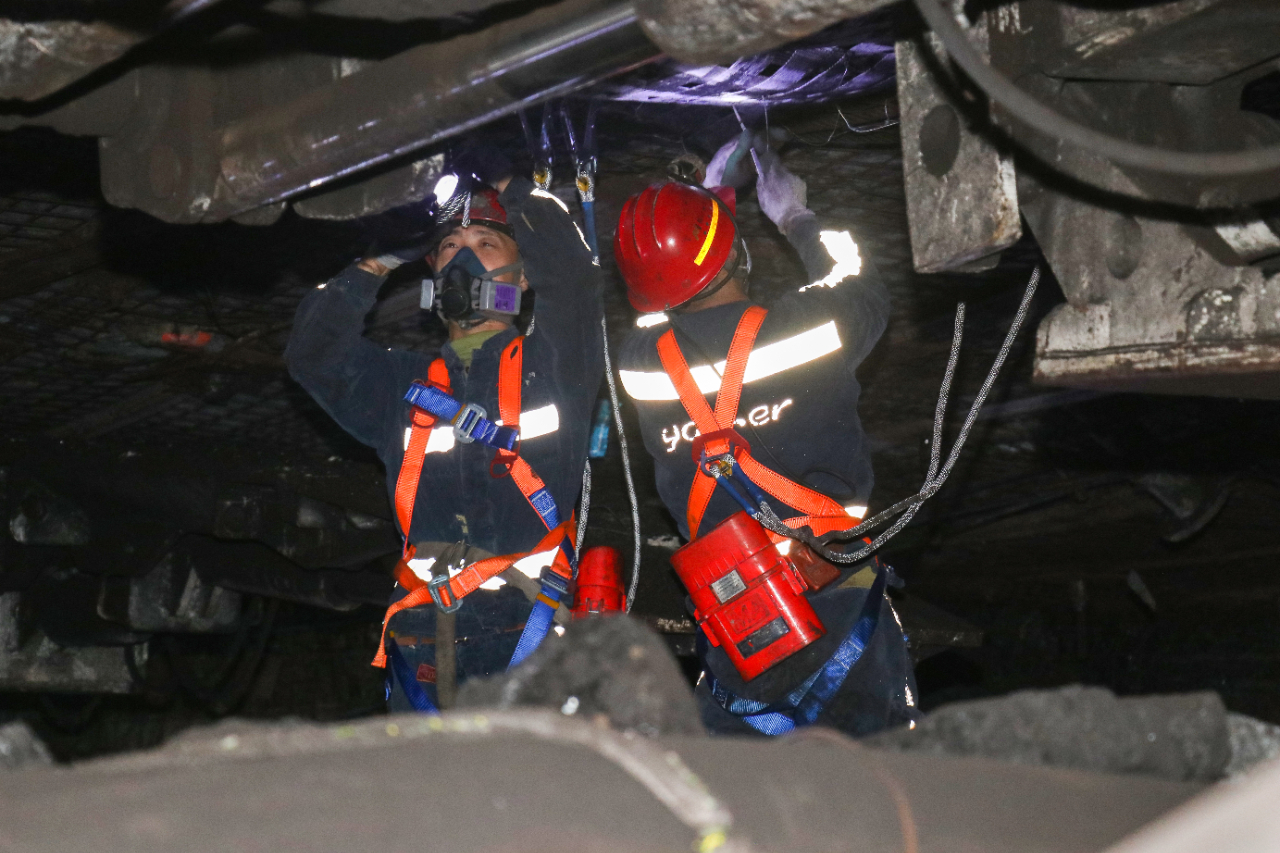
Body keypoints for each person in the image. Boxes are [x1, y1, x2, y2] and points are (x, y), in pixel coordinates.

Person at [614, 135, 918, 736]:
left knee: (741, 779)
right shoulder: (811, 327)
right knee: (870, 779)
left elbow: (658, 307)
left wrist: (705, 209)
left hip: (735, 621)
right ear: (738, 253)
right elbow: (860, 283)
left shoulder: (637, 364)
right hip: (833, 601)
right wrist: (796, 216)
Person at [286, 164, 603, 711]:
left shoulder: (555, 366)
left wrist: (505, 177)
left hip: (528, 630)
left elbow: (573, 279)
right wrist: (379, 261)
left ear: (522, 277)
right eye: (450, 245)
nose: (463, 258)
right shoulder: (401, 388)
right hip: (423, 639)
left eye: (486, 243)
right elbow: (313, 355)